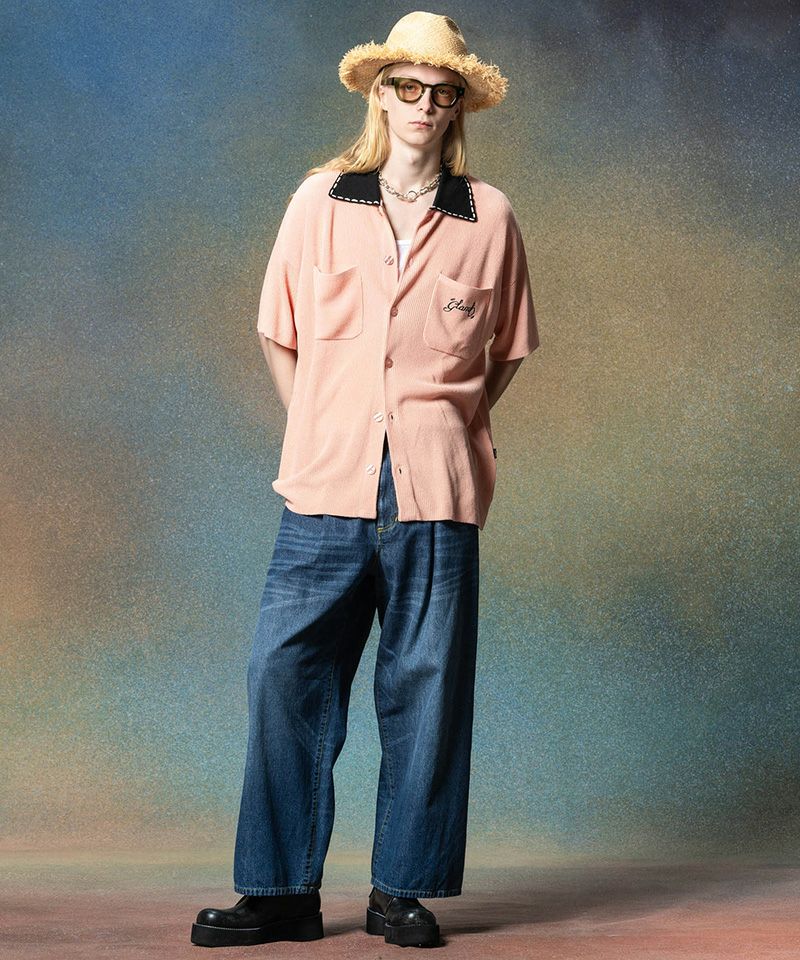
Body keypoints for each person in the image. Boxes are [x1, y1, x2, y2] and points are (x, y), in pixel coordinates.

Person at [191, 10, 539, 950]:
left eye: (441, 91)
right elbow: (278, 329)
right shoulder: (319, 201)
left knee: (426, 690)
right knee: (284, 675)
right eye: (406, 87)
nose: (423, 104)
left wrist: (451, 422)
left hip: (437, 492)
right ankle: (279, 893)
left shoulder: (490, 218)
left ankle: (401, 891)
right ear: (379, 95)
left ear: (458, 106)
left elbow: (507, 349)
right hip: (326, 487)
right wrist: (317, 425)